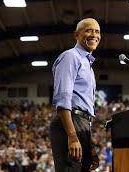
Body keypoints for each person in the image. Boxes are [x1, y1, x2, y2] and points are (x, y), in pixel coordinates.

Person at [50, 18, 101, 172]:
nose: (94, 35)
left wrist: (90, 146)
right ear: (76, 35)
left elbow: (86, 110)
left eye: (97, 31)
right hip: (70, 122)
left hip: (83, 124)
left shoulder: (88, 65)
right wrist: (72, 136)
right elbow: (63, 98)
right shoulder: (70, 56)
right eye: (88, 30)